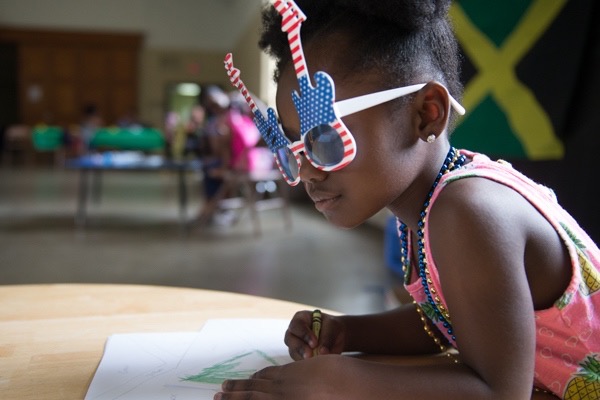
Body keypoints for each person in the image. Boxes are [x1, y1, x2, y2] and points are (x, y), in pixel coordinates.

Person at [218, 1, 599, 399]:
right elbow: (445, 321)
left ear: (426, 114)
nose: (308, 172)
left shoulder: (467, 210)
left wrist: (342, 383)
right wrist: (348, 330)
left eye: (326, 139)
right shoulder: (426, 204)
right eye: (291, 148)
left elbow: (501, 393)